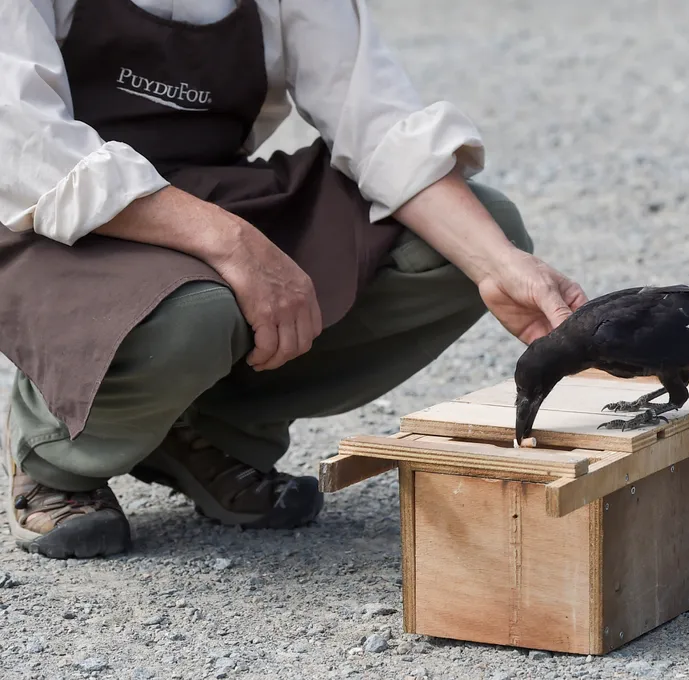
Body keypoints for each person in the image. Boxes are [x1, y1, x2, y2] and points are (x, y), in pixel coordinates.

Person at [0, 0, 587, 560]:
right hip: (45, 219)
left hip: (207, 190)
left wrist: (498, 265)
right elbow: (24, 144)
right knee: (196, 313)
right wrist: (233, 243)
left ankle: (209, 432)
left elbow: (377, 121)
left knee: (471, 242)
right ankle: (53, 452)